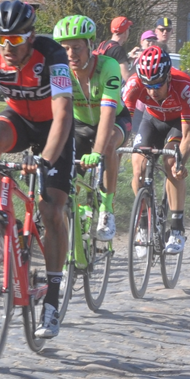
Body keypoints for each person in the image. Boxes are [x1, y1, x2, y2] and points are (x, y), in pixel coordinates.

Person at [0, 0, 74, 339]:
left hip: (54, 128)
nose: (7, 48)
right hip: (19, 119)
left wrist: (45, 160)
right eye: (0, 39)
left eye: (16, 41)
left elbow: (64, 115)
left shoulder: (52, 55)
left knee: (52, 211)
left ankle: (51, 297)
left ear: (31, 37)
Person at [53, 15, 129, 241]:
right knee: (68, 172)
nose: (70, 54)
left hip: (115, 119)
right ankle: (73, 220)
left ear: (91, 45)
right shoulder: (62, 71)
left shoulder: (109, 66)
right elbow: (57, 113)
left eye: (76, 47)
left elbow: (108, 113)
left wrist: (96, 152)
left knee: (107, 147)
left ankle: (107, 209)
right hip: (81, 124)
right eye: (65, 48)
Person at [122, 46, 190, 255]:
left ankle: (176, 227)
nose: (153, 91)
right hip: (151, 121)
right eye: (148, 85)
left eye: (157, 84)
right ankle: (144, 222)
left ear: (168, 78)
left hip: (176, 123)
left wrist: (181, 162)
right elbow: (121, 124)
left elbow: (189, 135)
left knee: (171, 164)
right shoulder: (134, 84)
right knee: (138, 168)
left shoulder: (184, 86)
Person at [95, 16, 132, 83]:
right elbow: (127, 78)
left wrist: (128, 58)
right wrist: (138, 63)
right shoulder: (118, 50)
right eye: (128, 29)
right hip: (110, 89)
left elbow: (113, 61)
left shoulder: (104, 44)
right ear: (125, 32)